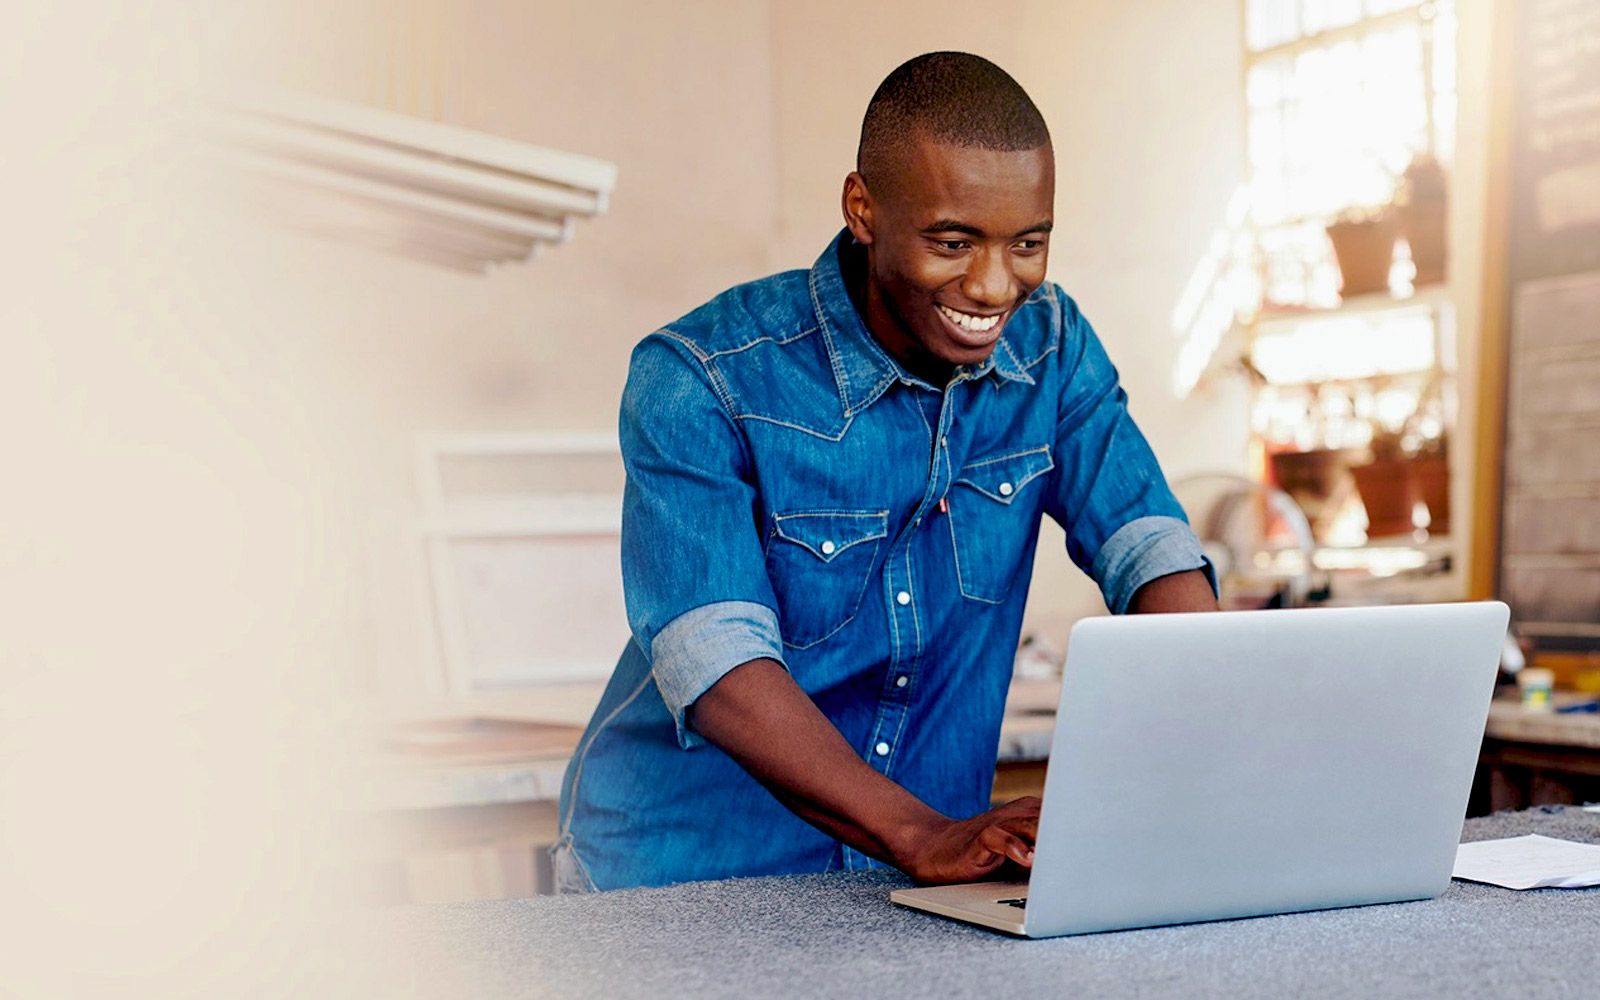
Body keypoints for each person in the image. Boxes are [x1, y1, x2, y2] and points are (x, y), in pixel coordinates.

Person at [553, 51, 1217, 893]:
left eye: (1028, 243)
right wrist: (920, 832)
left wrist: (1209, 730)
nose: (991, 285)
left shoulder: (1050, 347)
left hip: (913, 887)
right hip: (682, 876)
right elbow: (713, 659)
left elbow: (1149, 549)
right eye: (953, 241)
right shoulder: (701, 375)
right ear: (863, 210)